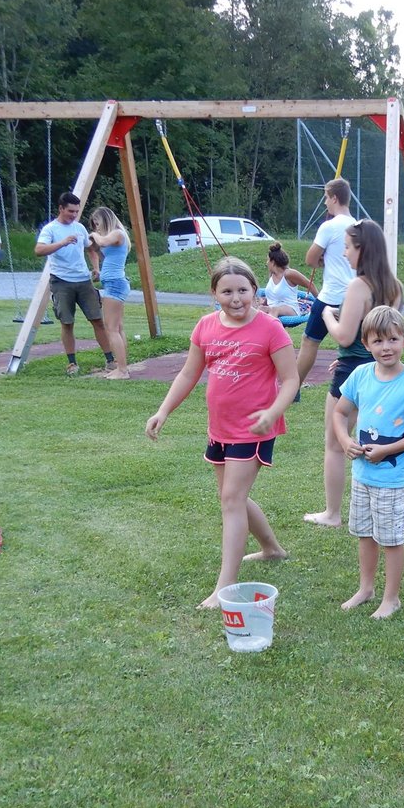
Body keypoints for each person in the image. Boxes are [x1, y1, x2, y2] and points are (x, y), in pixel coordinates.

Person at [145, 257, 298, 609]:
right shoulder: (205, 326)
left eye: (243, 290)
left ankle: (224, 587)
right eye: (227, 291)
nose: (236, 298)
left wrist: (273, 412)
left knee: (231, 500)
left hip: (254, 428)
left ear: (254, 290)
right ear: (214, 293)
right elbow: (188, 373)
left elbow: (291, 379)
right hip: (220, 428)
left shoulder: (271, 328)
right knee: (232, 498)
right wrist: (163, 411)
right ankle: (272, 549)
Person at [308, 218, 404, 534]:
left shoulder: (359, 286)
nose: (344, 253)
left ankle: (332, 513)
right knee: (387, 440)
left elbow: (346, 336)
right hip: (379, 370)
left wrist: (327, 315)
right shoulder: (395, 287)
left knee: (334, 442)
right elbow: (383, 331)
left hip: (356, 372)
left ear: (362, 249)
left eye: (347, 247)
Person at [333, 306, 404, 620]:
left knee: (391, 539)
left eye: (393, 339)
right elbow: (340, 413)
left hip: (391, 479)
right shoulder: (360, 375)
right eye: (378, 341)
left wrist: (387, 451)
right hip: (362, 475)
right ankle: (366, 589)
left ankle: (391, 598)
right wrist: (344, 440)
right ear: (366, 344)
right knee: (365, 534)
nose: (386, 347)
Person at [35, 192, 116, 377]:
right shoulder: (50, 229)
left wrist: (96, 268)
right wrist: (62, 243)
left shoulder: (79, 228)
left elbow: (91, 249)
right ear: (61, 208)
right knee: (67, 322)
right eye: (70, 211)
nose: (73, 215)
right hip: (61, 281)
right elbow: (39, 250)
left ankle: (110, 359)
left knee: (97, 320)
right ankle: (72, 363)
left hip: (83, 280)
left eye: (76, 212)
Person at [295, 177, 356, 418]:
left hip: (330, 296)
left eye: (326, 198)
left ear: (335, 198)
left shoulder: (329, 227)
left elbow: (310, 259)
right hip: (355, 296)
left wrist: (322, 260)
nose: (325, 204)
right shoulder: (359, 225)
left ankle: (294, 388)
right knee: (354, 347)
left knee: (310, 341)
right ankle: (356, 390)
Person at [86, 206, 132, 380]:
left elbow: (103, 242)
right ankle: (122, 366)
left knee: (111, 329)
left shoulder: (117, 234)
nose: (96, 228)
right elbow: (100, 250)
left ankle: (122, 370)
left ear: (105, 220)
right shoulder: (112, 237)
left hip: (115, 284)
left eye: (97, 224)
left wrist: (93, 235)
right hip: (113, 283)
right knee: (117, 327)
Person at [260, 242, 317, 319]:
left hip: (290, 309)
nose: (266, 263)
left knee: (274, 309)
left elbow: (311, 285)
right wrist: (263, 304)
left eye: (268, 260)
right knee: (260, 309)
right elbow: (272, 296)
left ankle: (271, 325)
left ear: (273, 262)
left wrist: (321, 304)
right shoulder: (272, 275)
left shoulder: (289, 274)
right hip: (272, 308)